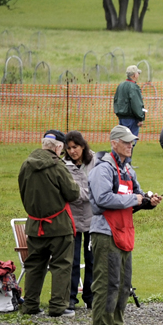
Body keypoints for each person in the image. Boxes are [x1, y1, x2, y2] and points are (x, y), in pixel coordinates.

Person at [89, 125, 162, 325]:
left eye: (132, 141)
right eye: (127, 141)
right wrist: (135, 199)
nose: (131, 145)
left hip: (124, 233)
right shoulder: (102, 169)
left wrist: (149, 201)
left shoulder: (129, 170)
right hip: (105, 233)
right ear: (114, 143)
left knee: (123, 284)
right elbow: (102, 199)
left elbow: (137, 197)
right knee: (107, 283)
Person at [17, 130, 80, 317]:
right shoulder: (57, 166)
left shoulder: (25, 165)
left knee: (34, 265)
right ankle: (58, 306)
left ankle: (30, 305)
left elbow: (23, 191)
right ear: (59, 147)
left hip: (35, 225)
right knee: (61, 265)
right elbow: (73, 194)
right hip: (59, 225)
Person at [63, 131, 95, 310]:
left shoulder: (96, 161)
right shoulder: (63, 166)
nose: (72, 151)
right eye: (69, 148)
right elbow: (67, 192)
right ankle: (71, 298)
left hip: (92, 219)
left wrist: (85, 194)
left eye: (75, 147)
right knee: (73, 260)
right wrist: (88, 194)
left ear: (83, 146)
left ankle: (90, 297)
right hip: (73, 219)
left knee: (91, 260)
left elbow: (99, 186)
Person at [113, 66, 145, 138]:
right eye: (138, 73)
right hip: (131, 119)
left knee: (121, 139)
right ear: (134, 75)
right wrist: (140, 117)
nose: (138, 75)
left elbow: (115, 100)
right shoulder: (133, 87)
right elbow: (136, 104)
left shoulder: (121, 85)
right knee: (130, 141)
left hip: (121, 118)